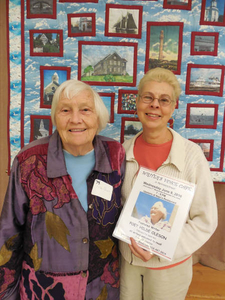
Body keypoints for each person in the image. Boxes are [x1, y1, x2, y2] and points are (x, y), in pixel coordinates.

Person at [0, 80, 126, 300]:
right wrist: (6, 294)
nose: (75, 119)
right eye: (65, 110)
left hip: (101, 291)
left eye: (85, 110)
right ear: (55, 117)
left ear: (98, 116)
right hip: (43, 290)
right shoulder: (29, 160)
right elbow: (9, 231)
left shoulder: (115, 155)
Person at [119, 67, 218, 300]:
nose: (155, 105)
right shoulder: (121, 152)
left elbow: (205, 220)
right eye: (148, 97)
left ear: (173, 107)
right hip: (127, 265)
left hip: (170, 268)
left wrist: (162, 246)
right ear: (138, 102)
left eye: (164, 100)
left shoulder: (192, 156)